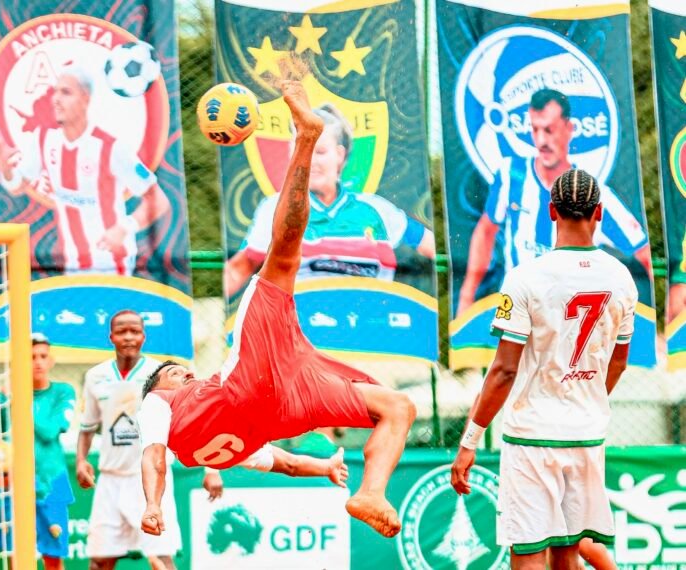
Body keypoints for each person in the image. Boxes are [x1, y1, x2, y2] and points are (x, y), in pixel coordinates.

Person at [138, 79, 417, 539]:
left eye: (181, 371)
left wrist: (326, 468)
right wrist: (151, 503)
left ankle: (371, 492)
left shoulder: (206, 448)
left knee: (397, 406)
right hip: (250, 380)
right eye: (172, 373)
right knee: (285, 254)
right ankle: (305, 138)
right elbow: (151, 456)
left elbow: (284, 463)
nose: (184, 373)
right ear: (157, 389)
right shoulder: (155, 403)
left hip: (277, 407)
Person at [450, 169, 636, 568]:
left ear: (551, 211)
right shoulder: (622, 279)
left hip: (532, 437)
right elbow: (618, 362)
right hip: (586, 435)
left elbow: (503, 371)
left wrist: (470, 439)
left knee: (529, 553)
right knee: (567, 552)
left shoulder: (526, 278)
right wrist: (584, 399)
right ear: (599, 212)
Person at [457, 88, 651, 315]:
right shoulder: (512, 174)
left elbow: (644, 253)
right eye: (535, 129)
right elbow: (486, 230)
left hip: (569, 324)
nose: (541, 140)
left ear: (569, 129)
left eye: (549, 130)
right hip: (516, 313)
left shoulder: (593, 192)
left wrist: (654, 327)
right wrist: (466, 296)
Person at [224, 102, 435, 297]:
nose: (309, 162)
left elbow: (432, 246)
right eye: (301, 152)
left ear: (339, 155)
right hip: (299, 330)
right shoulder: (276, 209)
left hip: (371, 330)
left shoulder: (377, 210)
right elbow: (240, 268)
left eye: (320, 152)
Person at [0, 65, 170, 274]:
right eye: (55, 91)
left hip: (111, 262)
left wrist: (124, 228)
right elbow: (18, 186)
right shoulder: (44, 140)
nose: (56, 99)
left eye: (65, 92)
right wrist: (5, 167)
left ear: (85, 98)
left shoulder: (111, 147)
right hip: (71, 263)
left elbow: (158, 201)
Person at [76, 310, 223, 570]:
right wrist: (80, 461)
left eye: (135, 331)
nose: (129, 337)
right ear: (111, 336)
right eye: (122, 331)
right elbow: (87, 427)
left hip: (150, 479)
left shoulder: (163, 376)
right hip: (110, 478)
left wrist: (211, 469)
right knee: (100, 561)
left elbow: (199, 420)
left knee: (161, 559)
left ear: (144, 336)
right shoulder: (96, 376)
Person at [0, 333, 76, 570]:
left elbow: (49, 432)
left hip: (51, 483)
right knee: (14, 555)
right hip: (14, 487)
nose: (37, 362)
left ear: (51, 360)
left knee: (53, 557)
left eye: (42, 356)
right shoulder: (2, 399)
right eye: (31, 357)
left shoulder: (63, 392)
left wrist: (19, 399)